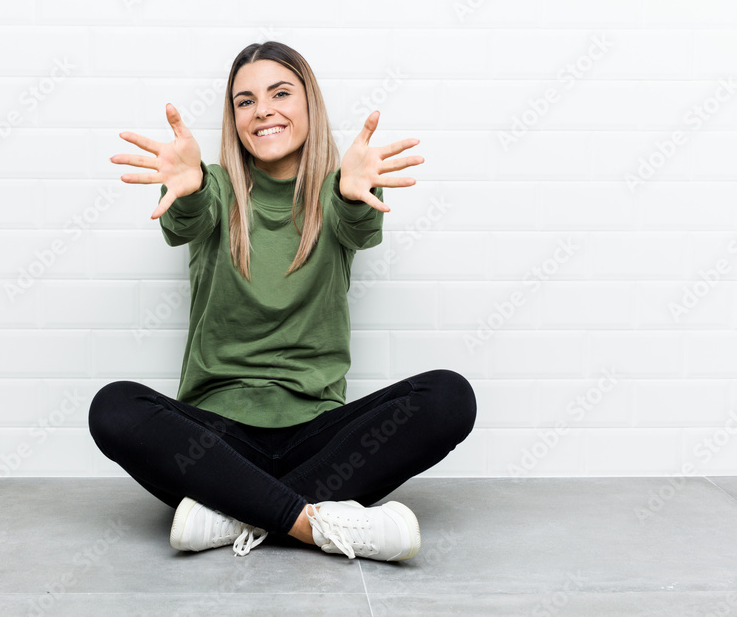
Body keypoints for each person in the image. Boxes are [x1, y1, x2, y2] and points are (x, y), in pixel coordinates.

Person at [88, 41, 476, 562]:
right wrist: (188, 188)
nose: (263, 110)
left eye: (280, 93)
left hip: (320, 435)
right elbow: (190, 217)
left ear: (309, 105)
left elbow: (357, 225)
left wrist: (348, 192)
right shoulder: (212, 187)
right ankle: (314, 522)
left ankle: (231, 512)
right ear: (234, 119)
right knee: (113, 407)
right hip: (217, 440)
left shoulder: (343, 191)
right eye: (244, 101)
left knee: (449, 396)